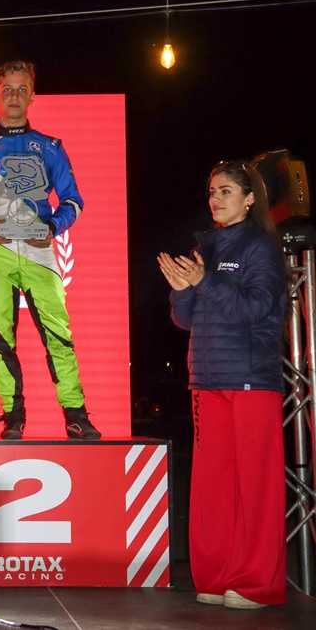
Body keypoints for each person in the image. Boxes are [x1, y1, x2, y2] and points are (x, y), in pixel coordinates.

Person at [0, 60, 100, 440]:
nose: (14, 96)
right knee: (0, 337)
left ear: (32, 95)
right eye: (7, 89)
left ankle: (76, 415)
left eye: (21, 89)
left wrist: (52, 227)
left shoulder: (51, 148)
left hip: (40, 252)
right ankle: (12, 417)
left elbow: (73, 200)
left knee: (58, 335)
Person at [158, 160, 287, 609]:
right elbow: (186, 319)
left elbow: (255, 308)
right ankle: (214, 577)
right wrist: (182, 289)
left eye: (226, 191)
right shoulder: (206, 247)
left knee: (256, 489)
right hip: (206, 380)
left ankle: (258, 584)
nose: (215, 199)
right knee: (212, 487)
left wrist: (204, 281)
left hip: (251, 381)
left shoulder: (260, 246)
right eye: (213, 191)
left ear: (250, 199)